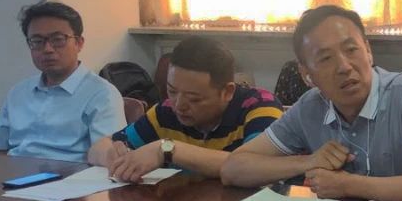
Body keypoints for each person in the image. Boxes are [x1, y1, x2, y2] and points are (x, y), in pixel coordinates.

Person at [222, 5, 402, 201]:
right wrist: (308, 161)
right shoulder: (310, 107)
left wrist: (347, 185)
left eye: (351, 50)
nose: (344, 67)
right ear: (306, 74)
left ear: (368, 51)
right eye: (325, 58)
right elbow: (233, 169)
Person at [87, 36, 282, 182]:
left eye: (194, 98)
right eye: (172, 91)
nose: (179, 105)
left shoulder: (259, 106)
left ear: (227, 92)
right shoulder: (165, 112)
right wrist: (113, 156)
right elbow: (98, 148)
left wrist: (167, 149)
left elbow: (255, 166)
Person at [0, 0, 125, 162]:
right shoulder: (18, 93)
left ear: (79, 43)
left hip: (70, 174)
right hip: (14, 173)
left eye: (58, 40)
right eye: (37, 41)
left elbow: (108, 154)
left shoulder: (102, 94)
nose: (48, 49)